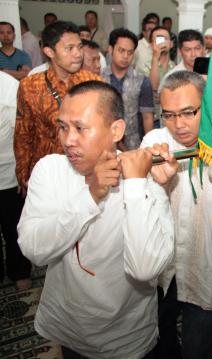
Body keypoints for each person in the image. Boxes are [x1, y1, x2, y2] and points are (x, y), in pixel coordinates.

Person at [17, 80, 176, 358]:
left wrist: (139, 186)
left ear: (115, 130)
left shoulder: (143, 179)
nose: (68, 140)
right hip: (69, 328)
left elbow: (144, 268)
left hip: (127, 338)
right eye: (63, 127)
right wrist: (90, 196)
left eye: (80, 128)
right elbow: (33, 249)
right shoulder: (50, 170)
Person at [142, 71, 212, 359]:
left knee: (201, 348)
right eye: (168, 115)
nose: (178, 125)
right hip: (163, 268)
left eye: (188, 113)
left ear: (206, 105)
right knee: (158, 339)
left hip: (207, 268)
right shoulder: (155, 141)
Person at [14, 21, 101, 194]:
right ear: (49, 51)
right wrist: (23, 175)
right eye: (69, 48)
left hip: (85, 175)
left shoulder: (94, 84)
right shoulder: (30, 86)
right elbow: (23, 133)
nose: (78, 54)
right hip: (46, 177)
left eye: (79, 47)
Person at [0, 71, 32, 291]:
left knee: (14, 228)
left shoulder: (9, 87)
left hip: (7, 173)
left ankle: (19, 271)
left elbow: (21, 135)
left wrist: (23, 172)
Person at [103, 28, 154, 149]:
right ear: (111, 49)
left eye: (130, 52)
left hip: (134, 144)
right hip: (104, 142)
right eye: (121, 50)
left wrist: (149, 146)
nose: (125, 56)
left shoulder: (142, 81)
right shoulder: (99, 78)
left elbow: (147, 117)